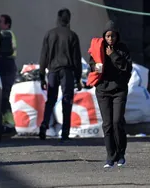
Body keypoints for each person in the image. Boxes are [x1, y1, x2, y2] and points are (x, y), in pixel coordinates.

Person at [87, 20, 132, 168]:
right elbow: (91, 63)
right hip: (103, 90)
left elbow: (126, 68)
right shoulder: (98, 47)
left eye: (112, 36)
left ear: (117, 36)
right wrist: (95, 66)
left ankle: (121, 154)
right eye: (107, 36)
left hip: (119, 90)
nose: (110, 39)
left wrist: (113, 55)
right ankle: (110, 157)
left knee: (117, 122)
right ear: (104, 36)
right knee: (107, 124)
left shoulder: (122, 49)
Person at [39, 8, 82, 141]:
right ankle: (65, 132)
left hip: (52, 71)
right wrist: (78, 78)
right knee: (67, 100)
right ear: (69, 19)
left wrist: (41, 76)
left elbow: (43, 57)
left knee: (51, 99)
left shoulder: (49, 34)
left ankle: (44, 124)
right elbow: (76, 59)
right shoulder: (72, 36)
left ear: (58, 19)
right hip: (67, 72)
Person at [0, 14, 17, 135]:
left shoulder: (7, 34)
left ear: (7, 24)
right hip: (3, 69)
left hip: (7, 70)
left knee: (4, 98)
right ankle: (4, 123)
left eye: (0, 21)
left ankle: (10, 124)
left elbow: (5, 50)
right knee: (0, 98)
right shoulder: (2, 35)